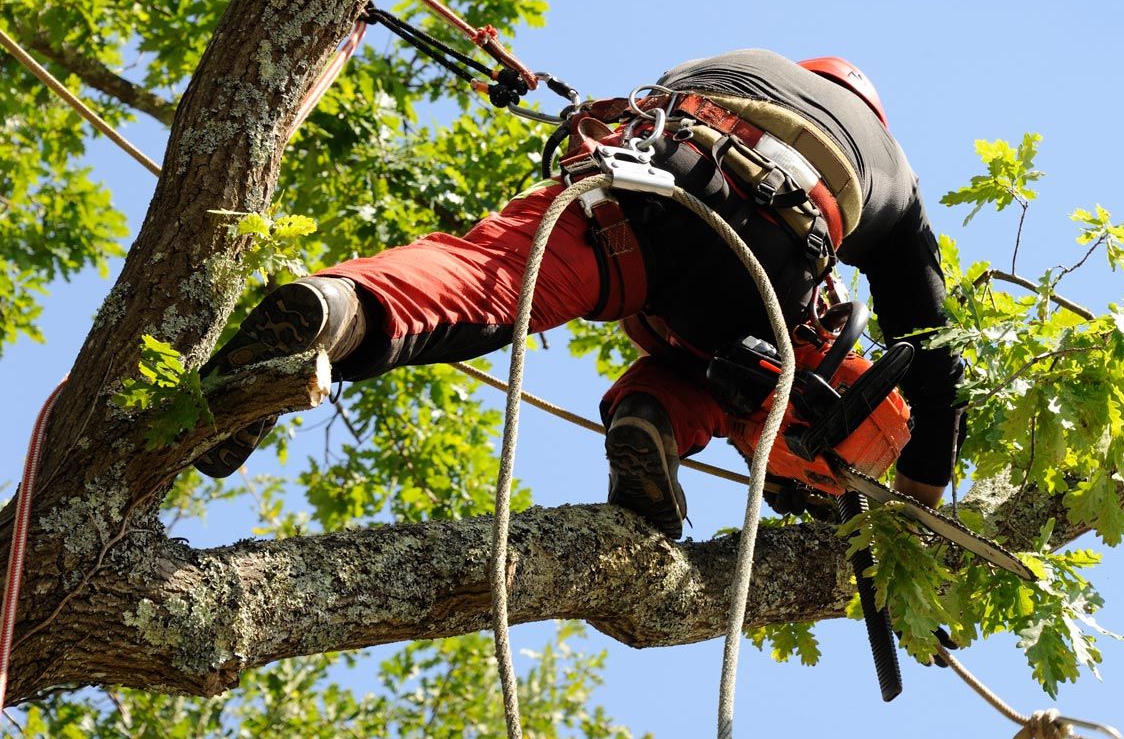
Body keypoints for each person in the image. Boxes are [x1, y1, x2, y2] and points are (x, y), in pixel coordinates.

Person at [196, 49, 963, 540]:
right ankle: (655, 418)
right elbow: (935, 349)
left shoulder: (740, 63)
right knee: (770, 372)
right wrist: (922, 497)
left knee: (488, 276)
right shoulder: (892, 168)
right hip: (778, 254)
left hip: (653, 178)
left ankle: (337, 310)